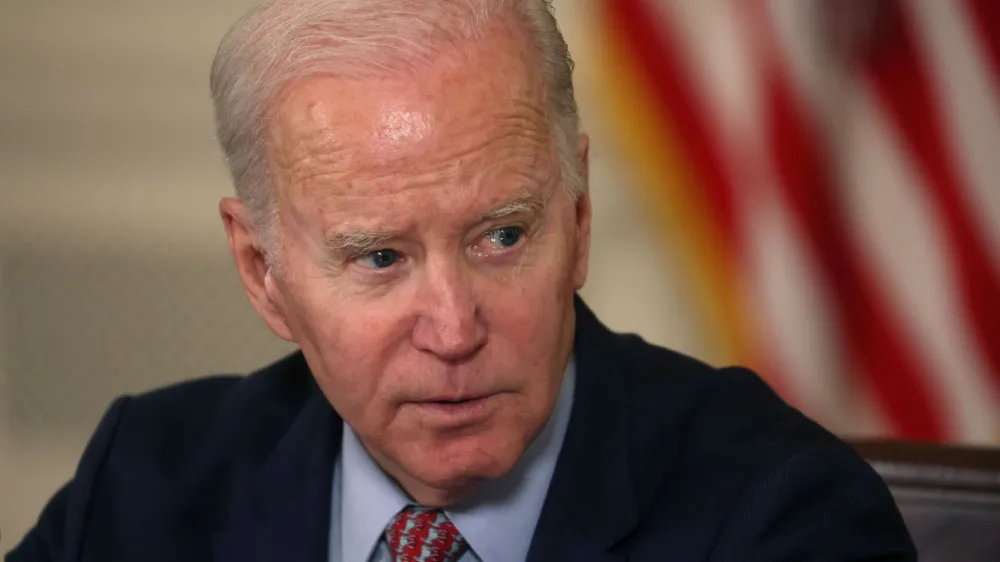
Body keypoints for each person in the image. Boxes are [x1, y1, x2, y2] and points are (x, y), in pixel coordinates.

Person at [6, 0, 917, 560]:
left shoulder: (784, 516)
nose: (452, 329)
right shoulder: (146, 488)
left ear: (579, 217)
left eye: (503, 235)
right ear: (264, 272)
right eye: (379, 257)